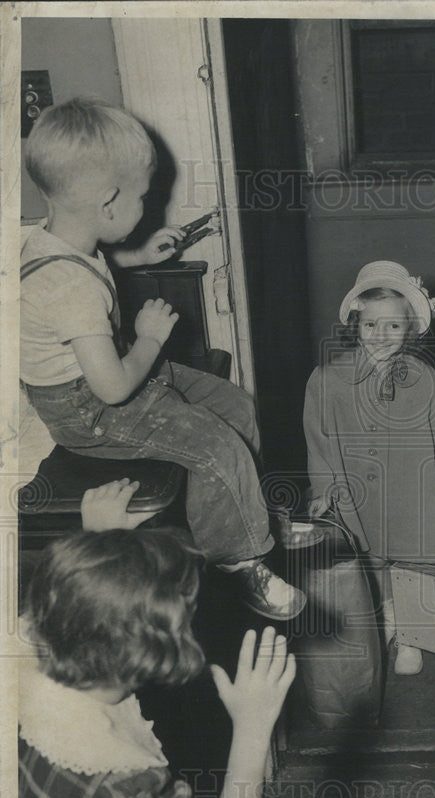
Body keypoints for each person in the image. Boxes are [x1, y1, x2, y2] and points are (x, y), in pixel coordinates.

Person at [20, 97, 304, 620]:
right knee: (215, 444)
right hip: (92, 408)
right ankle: (240, 561)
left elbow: (94, 270)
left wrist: (139, 256)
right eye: (142, 199)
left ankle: (248, 513)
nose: (146, 208)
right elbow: (112, 390)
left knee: (235, 405)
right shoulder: (69, 290)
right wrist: (149, 337)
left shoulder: (58, 240)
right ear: (109, 202)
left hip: (113, 372)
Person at [18, 529, 296, 798]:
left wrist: (99, 545)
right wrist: (253, 726)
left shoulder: (27, 658)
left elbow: (87, 601)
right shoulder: (111, 771)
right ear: (153, 652)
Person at [303, 261, 435, 675]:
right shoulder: (327, 378)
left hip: (413, 488)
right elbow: (317, 439)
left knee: (415, 561)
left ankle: (412, 637)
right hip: (354, 490)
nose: (381, 336)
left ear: (410, 328)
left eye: (393, 327)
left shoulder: (426, 379)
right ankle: (387, 615)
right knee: (369, 558)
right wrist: (323, 490)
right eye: (371, 326)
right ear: (356, 324)